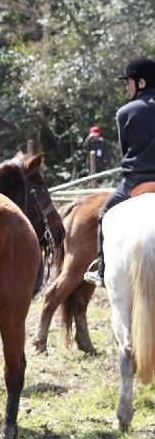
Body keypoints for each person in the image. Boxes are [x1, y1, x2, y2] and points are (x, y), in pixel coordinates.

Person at [84, 57, 155, 287]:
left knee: (105, 215)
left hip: (136, 183)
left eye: (129, 82)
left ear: (141, 82)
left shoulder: (125, 112)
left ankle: (102, 271)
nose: (126, 86)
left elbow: (126, 150)